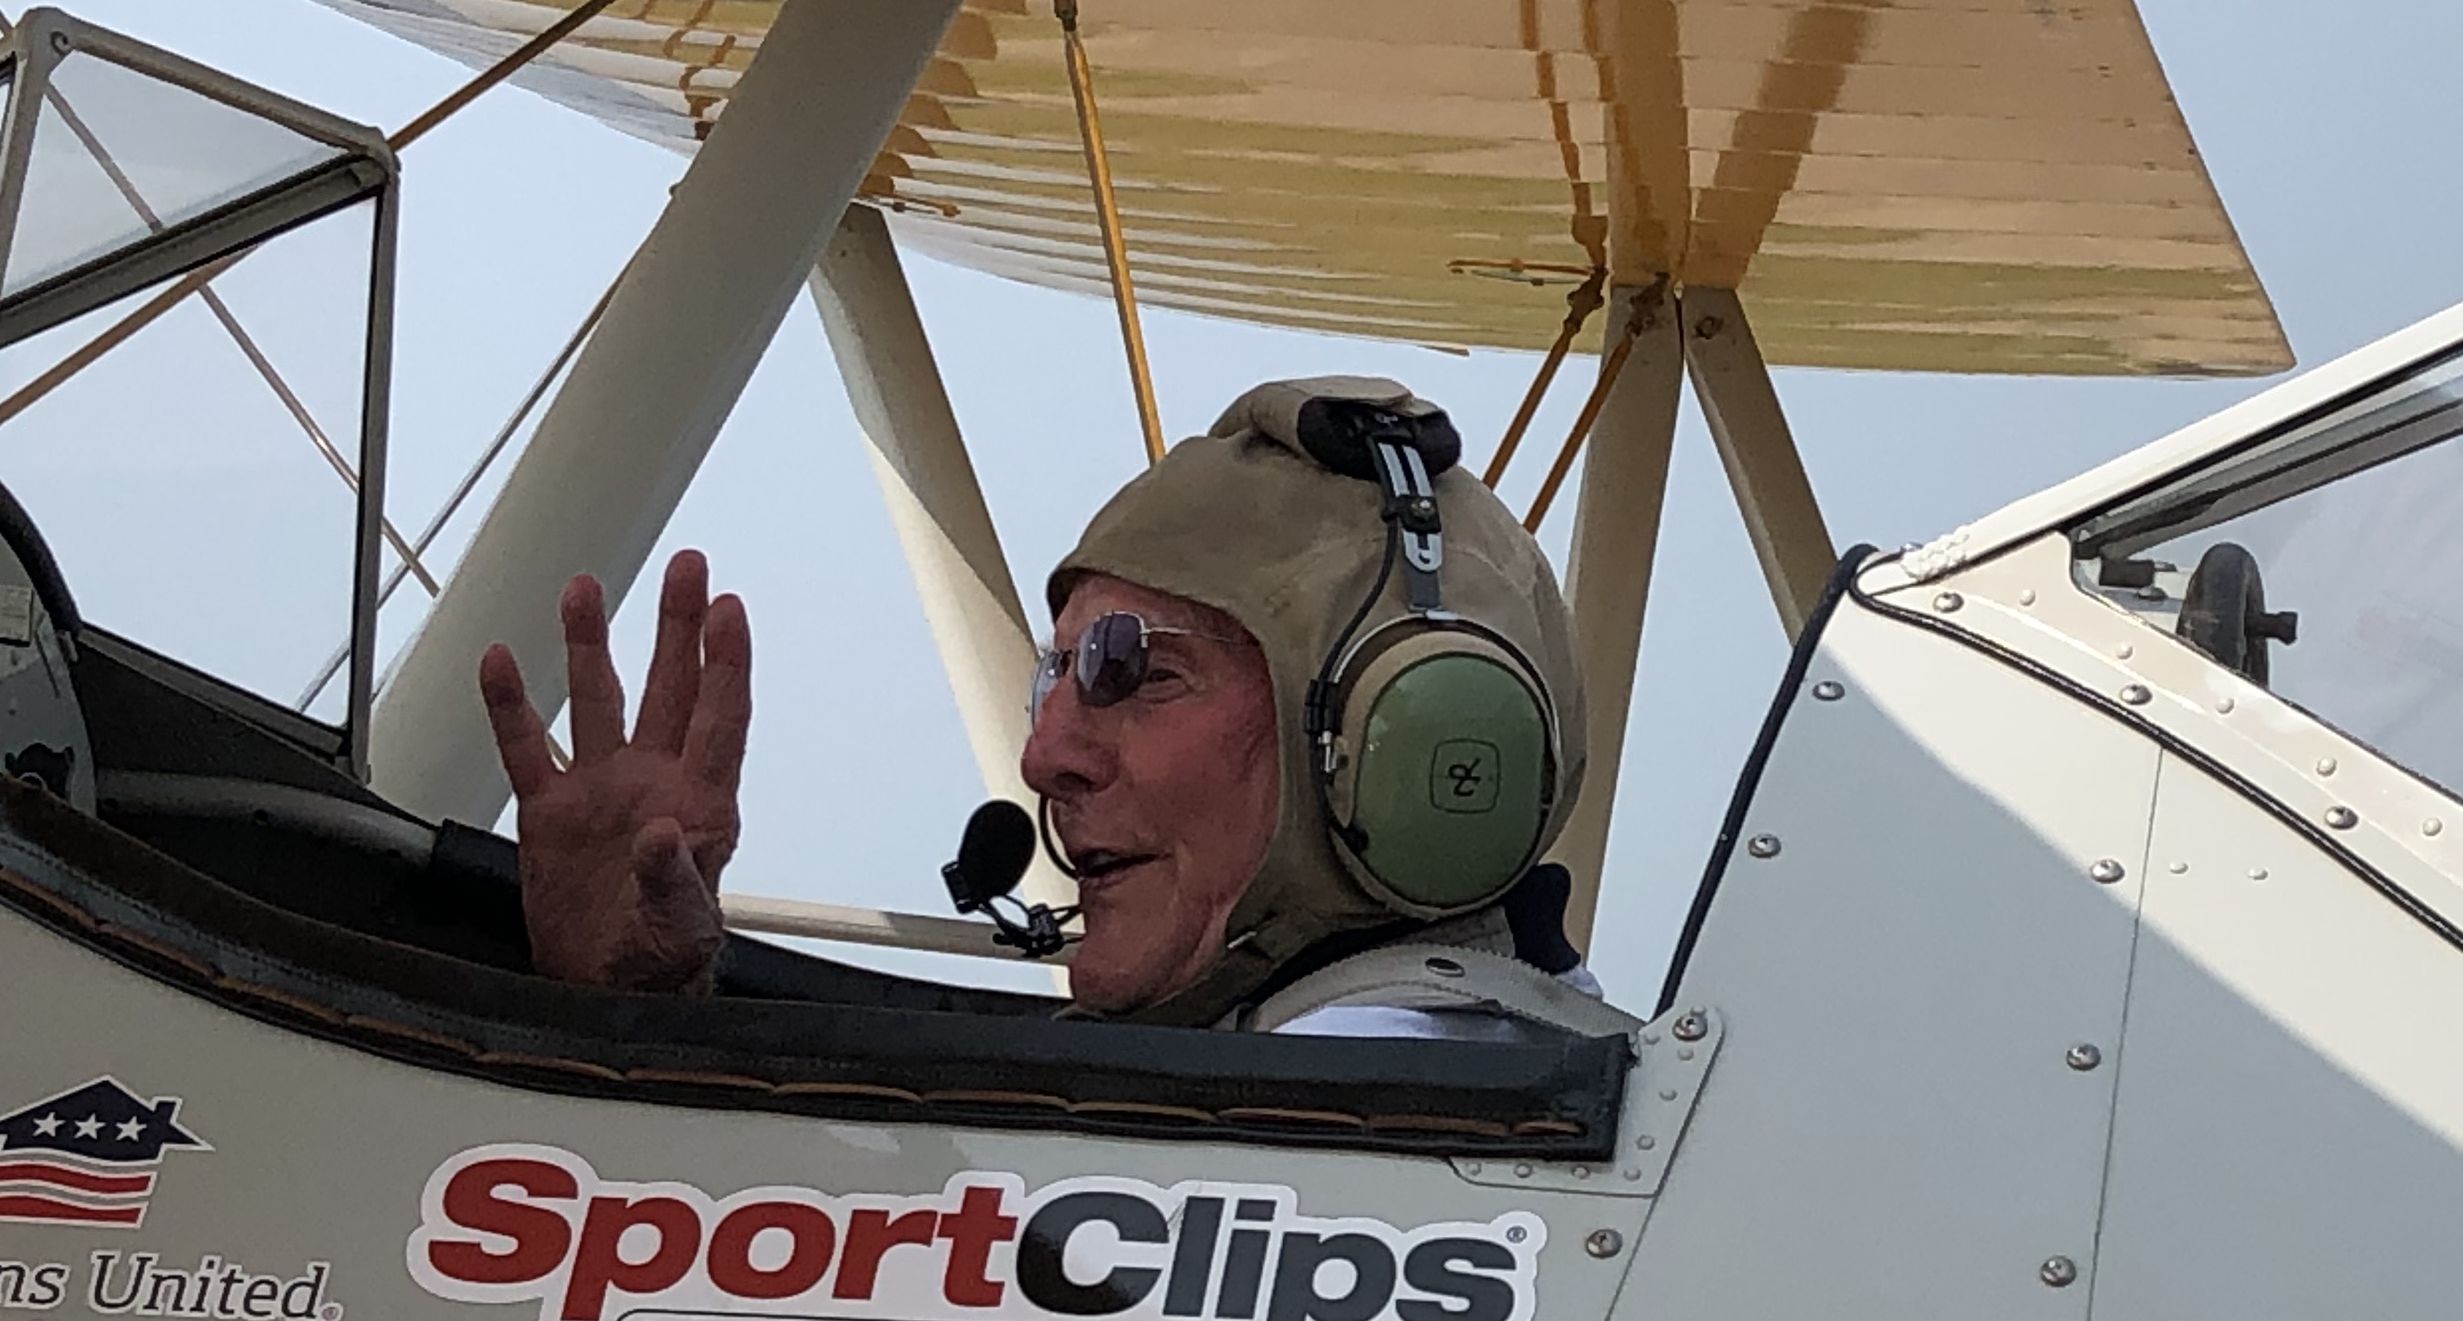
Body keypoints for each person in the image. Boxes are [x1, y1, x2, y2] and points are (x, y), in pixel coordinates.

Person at [477, 377, 1625, 1037]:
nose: (1045, 755)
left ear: (1397, 749)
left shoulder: (1380, 1097)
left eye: (1134, 671)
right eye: (1056, 675)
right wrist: (638, 1006)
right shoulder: (1269, 1082)